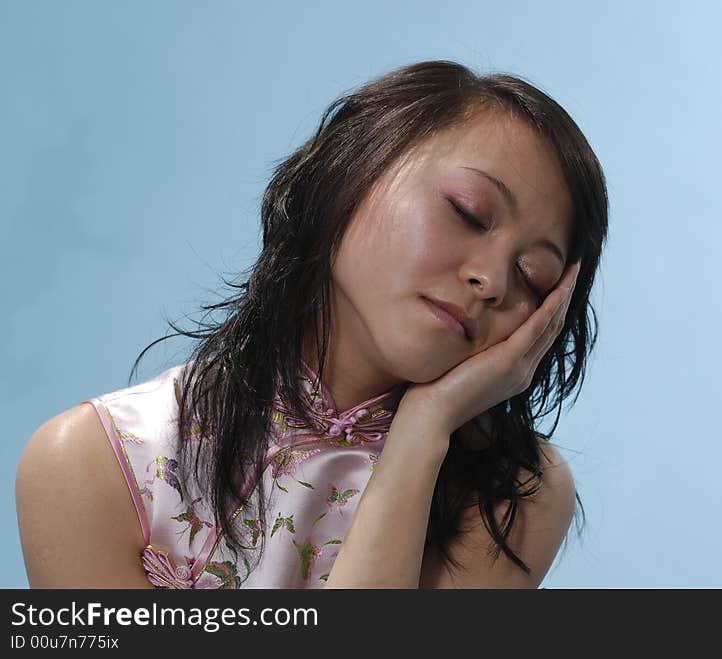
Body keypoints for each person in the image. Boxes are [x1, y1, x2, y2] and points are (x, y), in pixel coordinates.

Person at [15, 60, 608, 588]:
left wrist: (422, 434)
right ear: (348, 173)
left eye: (532, 276)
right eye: (467, 212)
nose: (493, 279)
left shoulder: (515, 497)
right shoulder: (90, 464)